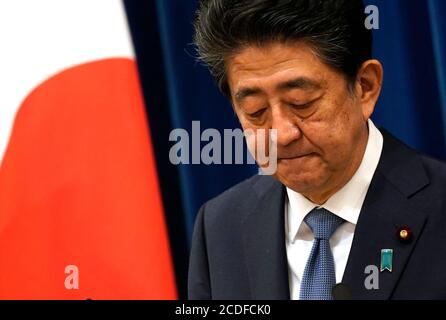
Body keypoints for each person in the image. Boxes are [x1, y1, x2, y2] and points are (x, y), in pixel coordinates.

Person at [188, 0, 446, 300]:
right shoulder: (220, 225)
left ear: (365, 86)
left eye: (302, 103)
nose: (281, 134)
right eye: (255, 111)